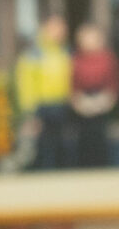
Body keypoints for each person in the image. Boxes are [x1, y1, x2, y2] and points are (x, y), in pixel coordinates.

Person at [14, 16, 74, 170]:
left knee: (62, 147)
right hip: (41, 107)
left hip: (61, 105)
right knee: (42, 148)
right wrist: (29, 111)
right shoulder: (33, 54)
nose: (59, 33)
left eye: (62, 29)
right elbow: (25, 84)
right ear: (45, 29)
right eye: (55, 28)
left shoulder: (65, 52)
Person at [70, 22, 119, 168]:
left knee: (100, 136)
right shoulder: (76, 59)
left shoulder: (107, 58)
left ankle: (103, 166)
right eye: (85, 38)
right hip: (83, 101)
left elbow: (115, 80)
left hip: (102, 99)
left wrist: (110, 98)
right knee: (85, 137)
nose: (88, 42)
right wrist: (76, 99)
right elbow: (72, 82)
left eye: (91, 38)